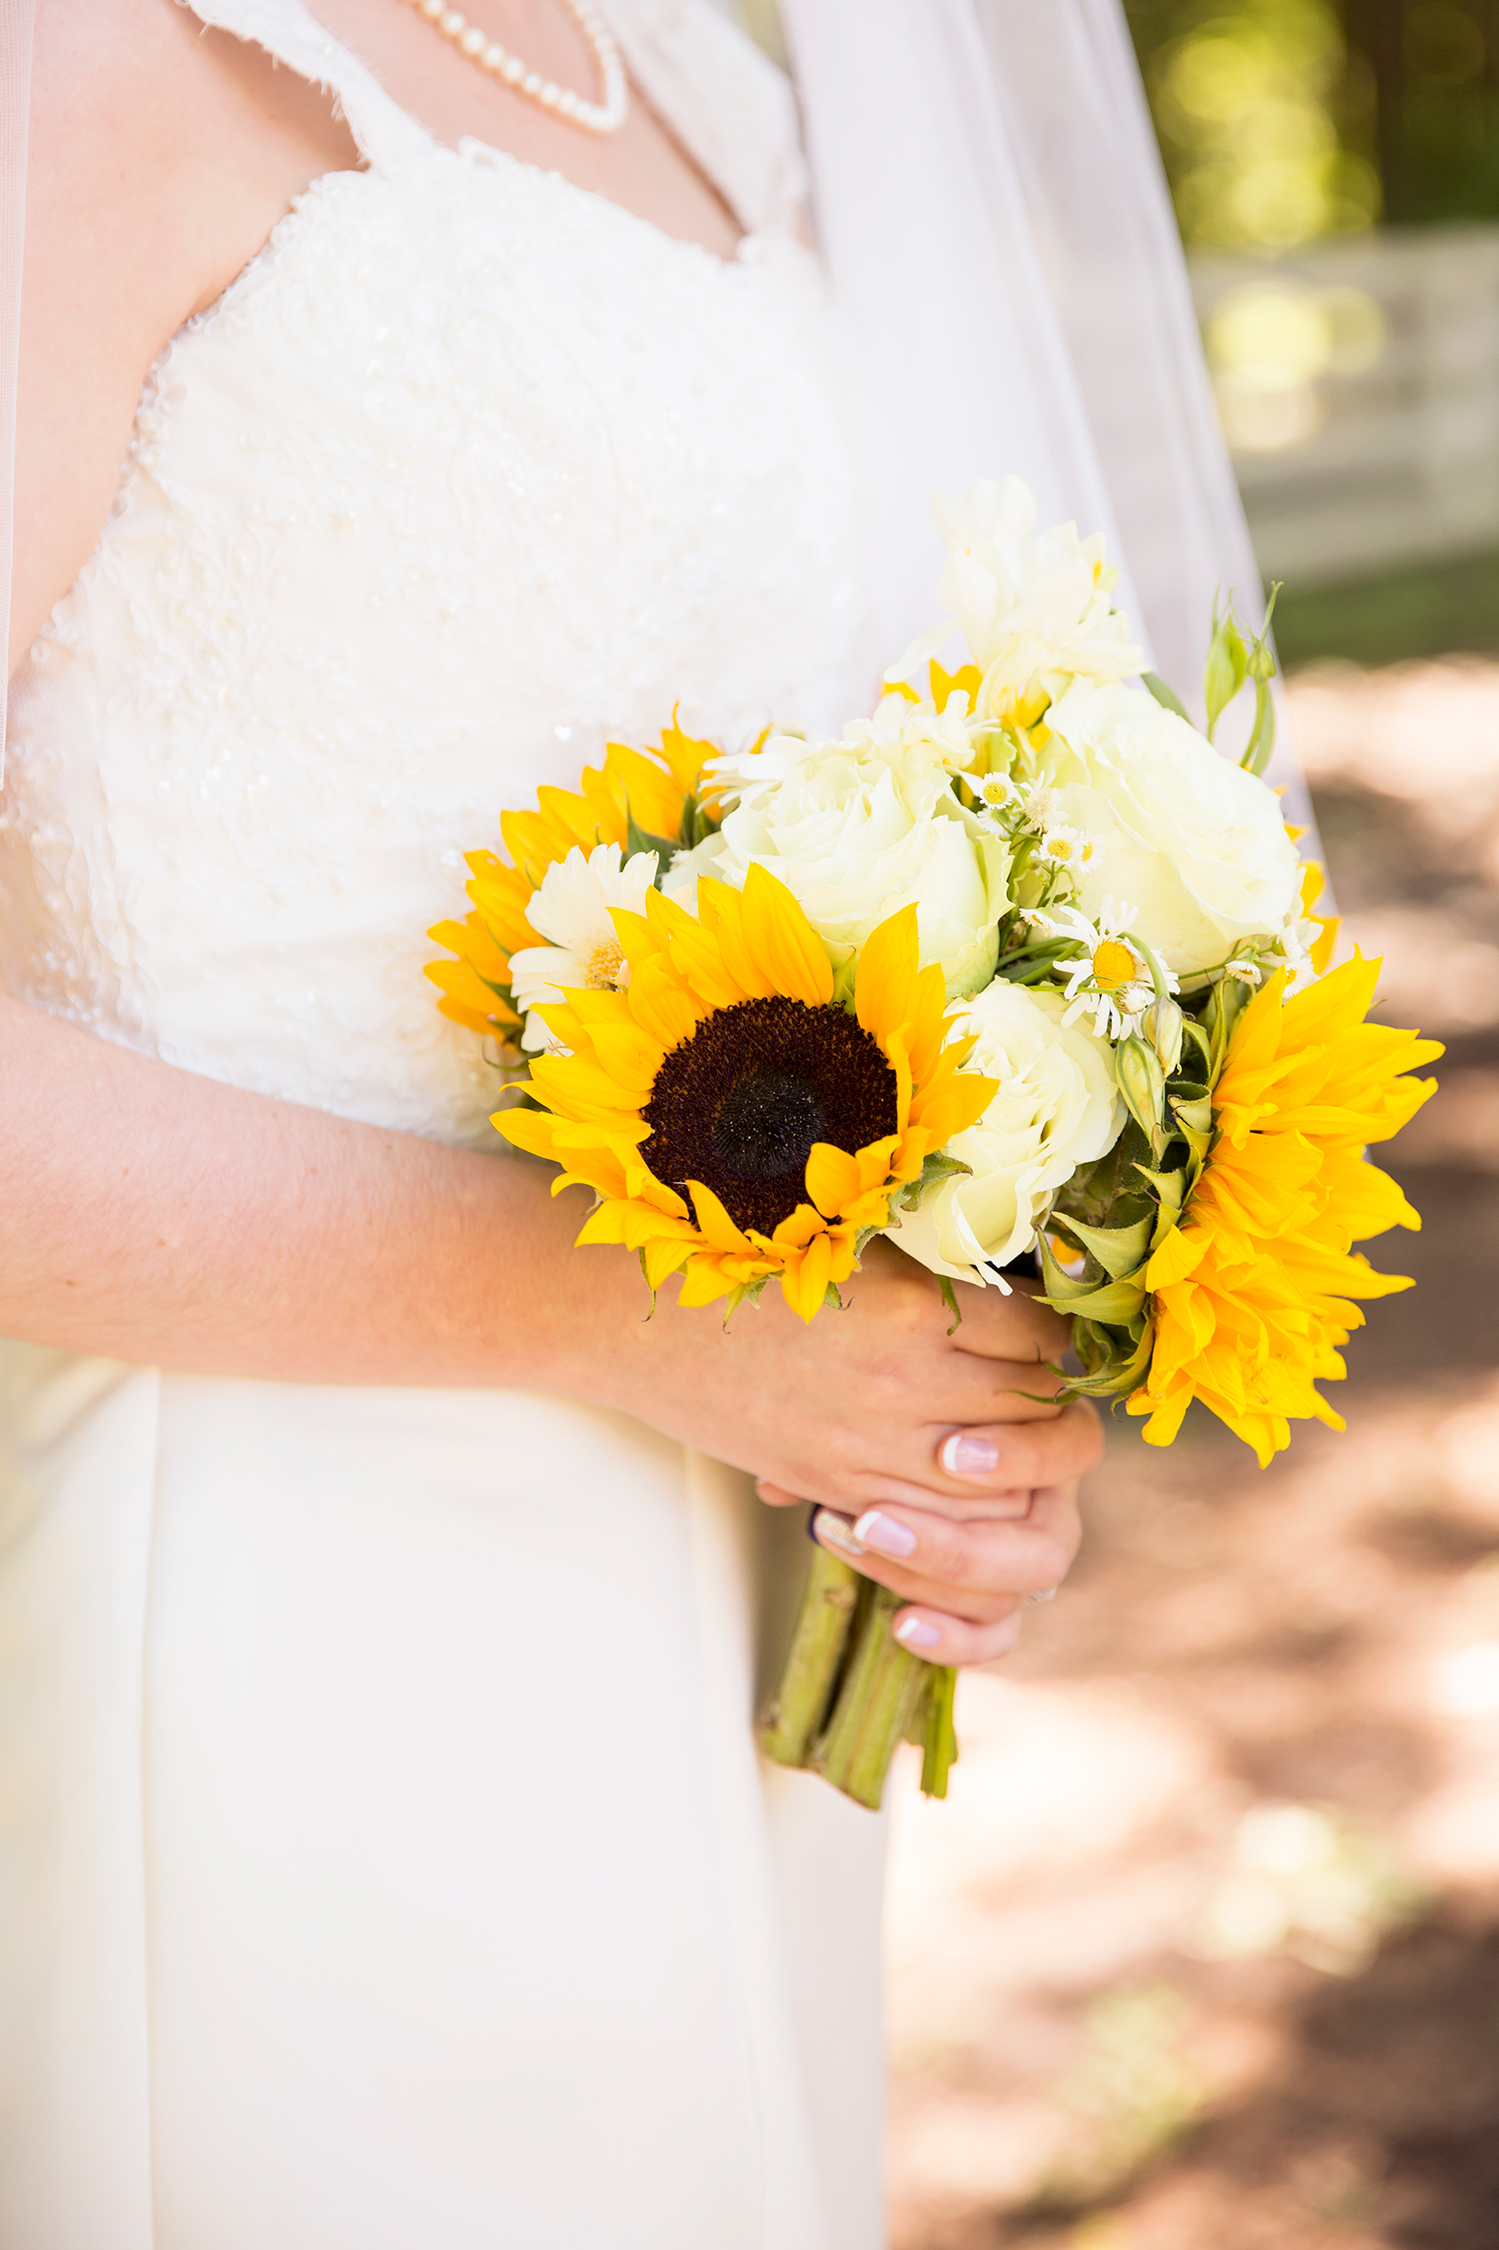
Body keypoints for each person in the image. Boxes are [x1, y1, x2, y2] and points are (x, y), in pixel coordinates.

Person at [0, 5, 1102, 2246]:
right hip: (278, 1597)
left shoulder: (706, 81)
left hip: (717, 1590)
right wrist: (628, 1311)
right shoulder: (84, 65)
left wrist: (949, 1408)